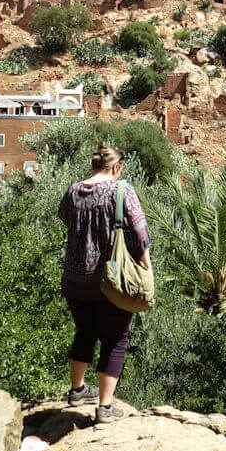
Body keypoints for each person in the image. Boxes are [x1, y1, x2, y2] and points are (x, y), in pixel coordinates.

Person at [57, 144, 151, 424]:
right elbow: (140, 230)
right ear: (116, 167)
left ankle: (77, 390)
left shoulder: (74, 191)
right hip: (111, 278)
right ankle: (105, 407)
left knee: (85, 331)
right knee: (115, 338)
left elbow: (64, 216)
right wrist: (147, 266)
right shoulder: (120, 190)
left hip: (75, 278)